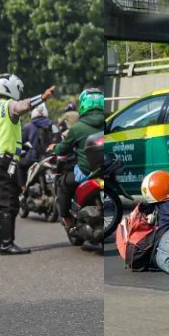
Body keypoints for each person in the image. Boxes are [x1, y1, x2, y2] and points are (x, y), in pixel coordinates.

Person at [0, 73, 55, 255]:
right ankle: (7, 244)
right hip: (4, 160)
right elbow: (24, 105)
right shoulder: (9, 106)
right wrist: (43, 97)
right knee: (9, 202)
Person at [52, 89, 106, 231]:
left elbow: (62, 149)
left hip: (86, 171)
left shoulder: (77, 127)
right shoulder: (108, 123)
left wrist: (55, 148)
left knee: (62, 184)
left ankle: (66, 218)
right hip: (106, 170)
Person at [19, 103, 58, 187]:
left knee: (20, 165)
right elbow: (59, 139)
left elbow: (20, 141)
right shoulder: (53, 126)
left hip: (34, 158)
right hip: (52, 157)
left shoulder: (28, 126)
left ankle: (23, 188)